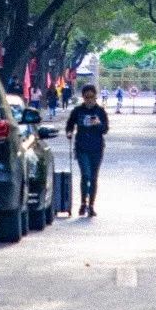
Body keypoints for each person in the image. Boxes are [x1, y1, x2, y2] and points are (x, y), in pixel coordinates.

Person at [66, 84, 109, 217]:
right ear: (83, 97)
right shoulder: (78, 111)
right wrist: (69, 133)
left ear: (95, 97)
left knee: (94, 177)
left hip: (96, 148)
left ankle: (91, 205)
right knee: (86, 175)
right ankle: (83, 202)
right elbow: (70, 125)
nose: (89, 100)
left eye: (91, 97)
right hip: (82, 147)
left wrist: (98, 124)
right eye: (86, 97)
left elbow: (105, 129)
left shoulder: (100, 111)